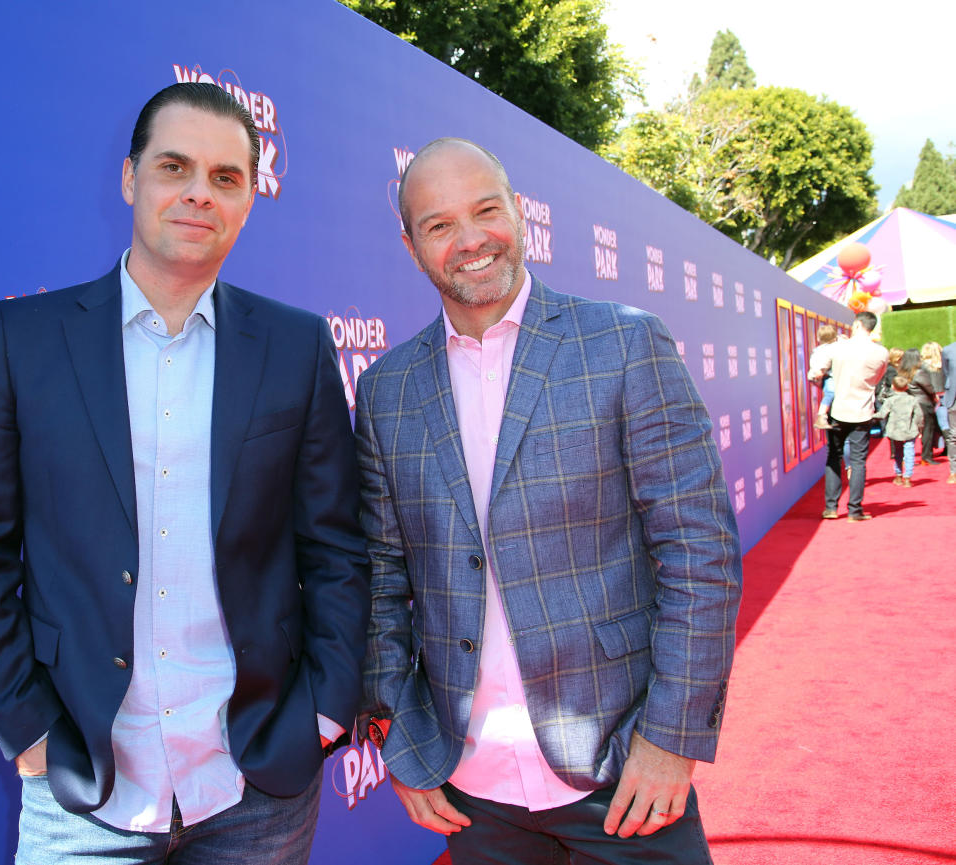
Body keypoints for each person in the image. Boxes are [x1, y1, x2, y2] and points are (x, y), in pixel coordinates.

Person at [0, 82, 369, 864]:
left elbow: (336, 547)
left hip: (257, 785)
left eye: (226, 177)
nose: (200, 192)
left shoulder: (296, 347)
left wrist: (324, 711)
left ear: (248, 200)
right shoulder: (19, 340)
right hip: (85, 786)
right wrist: (25, 724)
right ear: (131, 178)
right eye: (175, 167)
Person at [355, 138, 743, 865]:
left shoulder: (624, 345)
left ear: (520, 214)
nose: (471, 239)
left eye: (486, 210)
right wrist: (405, 744)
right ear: (411, 247)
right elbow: (381, 581)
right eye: (439, 225)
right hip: (474, 794)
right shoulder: (386, 390)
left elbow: (700, 554)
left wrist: (670, 740)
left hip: (623, 772)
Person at [809, 311, 888, 521]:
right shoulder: (881, 353)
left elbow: (817, 371)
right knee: (859, 461)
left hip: (837, 409)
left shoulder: (838, 348)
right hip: (862, 410)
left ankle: (831, 508)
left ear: (858, 324)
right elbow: (877, 379)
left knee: (834, 456)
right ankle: (855, 510)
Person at [876, 375, 925, 486]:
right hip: (909, 430)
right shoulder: (912, 400)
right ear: (907, 387)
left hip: (895, 430)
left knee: (898, 452)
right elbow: (919, 415)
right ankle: (907, 477)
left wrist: (870, 415)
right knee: (909, 452)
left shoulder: (890, 400)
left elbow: (882, 414)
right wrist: (920, 427)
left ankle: (898, 475)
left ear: (893, 387)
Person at [899, 348, 939, 467]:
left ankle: (906, 457)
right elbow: (930, 388)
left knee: (911, 432)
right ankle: (926, 456)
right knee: (927, 430)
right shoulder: (918, 372)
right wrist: (934, 397)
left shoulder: (902, 372)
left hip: (910, 403)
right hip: (923, 404)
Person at [807, 324, 839, 430]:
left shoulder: (818, 350)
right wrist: (820, 371)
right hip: (826, 376)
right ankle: (821, 416)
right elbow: (822, 365)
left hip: (819, 376)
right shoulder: (831, 349)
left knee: (831, 394)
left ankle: (826, 415)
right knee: (830, 394)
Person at [920, 341, 947, 460]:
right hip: (944, 395)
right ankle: (947, 448)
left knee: (931, 426)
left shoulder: (924, 366)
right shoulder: (943, 364)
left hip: (931, 397)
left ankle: (929, 452)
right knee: (946, 423)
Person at [943, 339, 956, 483]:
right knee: (954, 435)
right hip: (954, 398)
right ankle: (954, 471)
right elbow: (946, 373)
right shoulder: (948, 350)